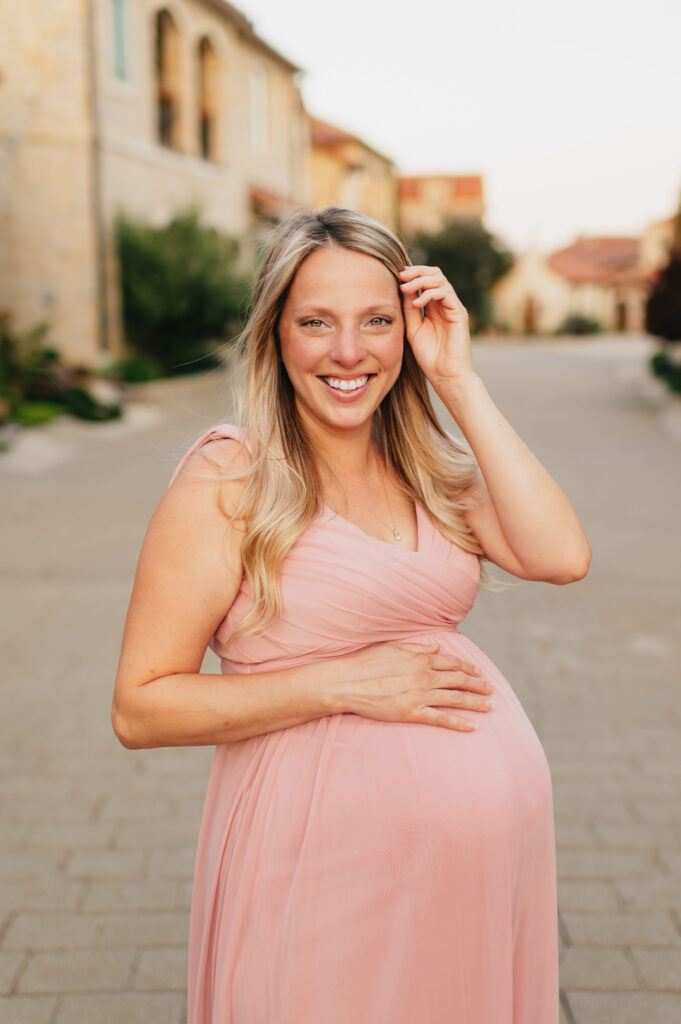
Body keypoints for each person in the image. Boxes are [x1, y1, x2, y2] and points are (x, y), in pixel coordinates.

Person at [112, 206, 591, 1024]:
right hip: (315, 865)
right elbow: (141, 706)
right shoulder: (230, 480)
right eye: (315, 322)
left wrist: (458, 382)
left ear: (408, 331)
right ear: (274, 335)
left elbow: (560, 556)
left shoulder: (426, 468)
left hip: (470, 886)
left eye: (375, 322)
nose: (347, 352)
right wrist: (338, 683)